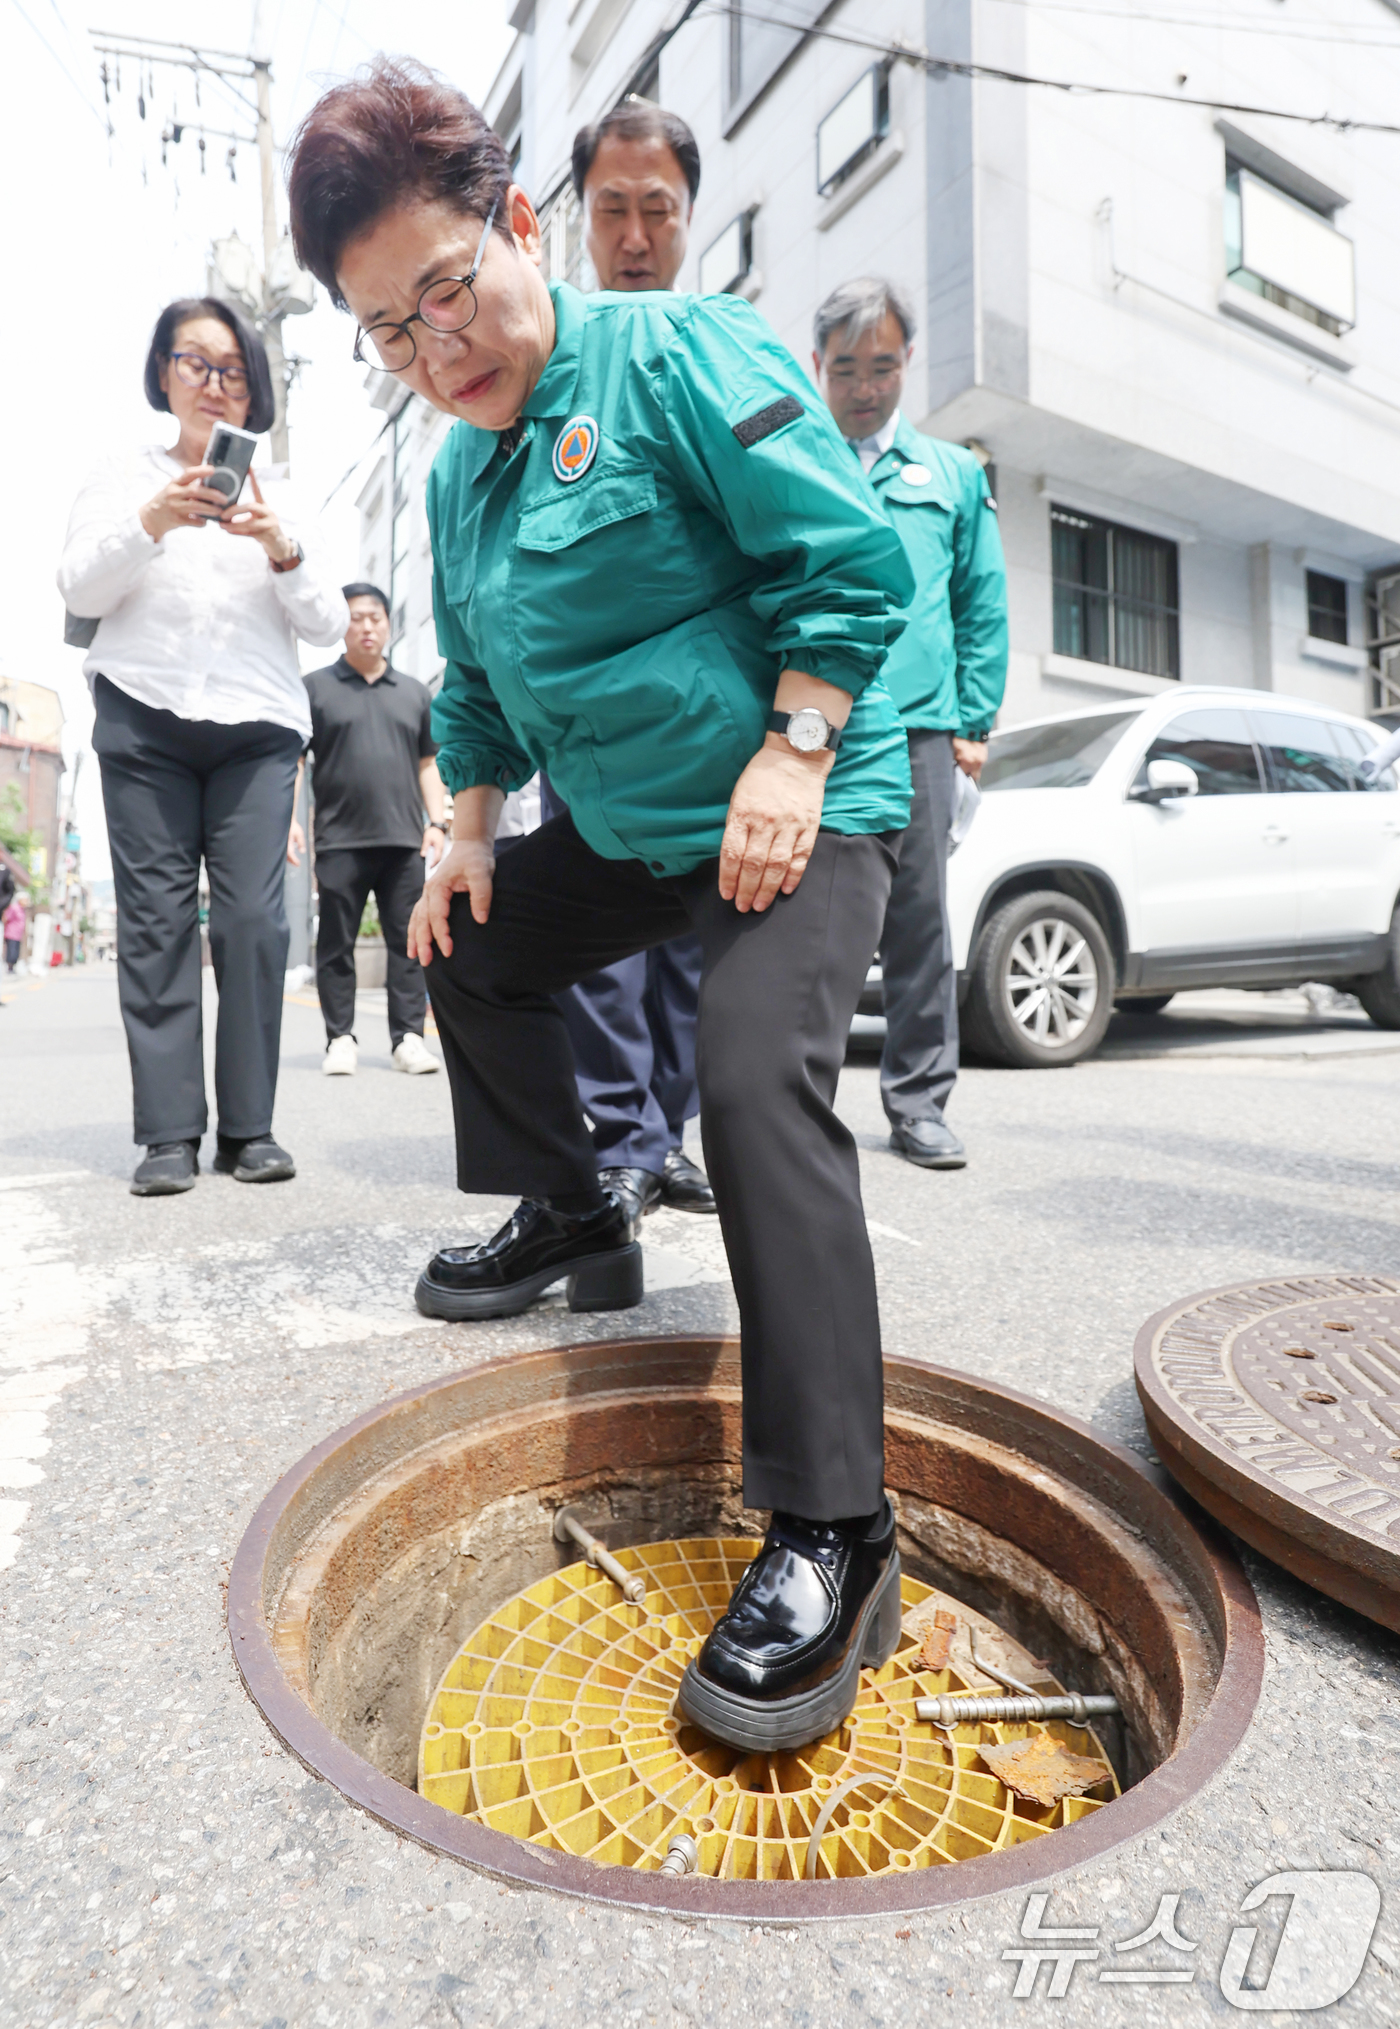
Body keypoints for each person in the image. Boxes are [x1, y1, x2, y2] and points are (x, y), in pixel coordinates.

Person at [287, 59, 914, 1754]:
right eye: (391, 332)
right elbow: (479, 691)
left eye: (445, 288)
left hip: (803, 793)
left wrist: (795, 746)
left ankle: (838, 1525)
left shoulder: (679, 353)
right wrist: (468, 832)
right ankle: (577, 1210)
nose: (441, 348)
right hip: (643, 829)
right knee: (461, 942)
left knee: (745, 1070)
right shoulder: (455, 479)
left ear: (516, 221)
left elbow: (852, 558)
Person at [57, 297, 349, 1196]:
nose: (213, 384)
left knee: (258, 924)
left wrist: (280, 544)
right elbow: (79, 585)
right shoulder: (121, 477)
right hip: (144, 717)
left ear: (253, 388)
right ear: (163, 372)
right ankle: (169, 1133)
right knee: (154, 922)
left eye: (231, 370)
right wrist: (153, 522)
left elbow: (330, 621)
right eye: (195, 362)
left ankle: (249, 1127)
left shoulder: (283, 488)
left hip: (256, 730)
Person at [534, 97, 713, 1236]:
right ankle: (619, 1142)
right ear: (578, 219)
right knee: (602, 951)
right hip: (592, 712)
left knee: (694, 942)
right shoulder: (548, 362)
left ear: (689, 214)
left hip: (703, 713)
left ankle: (670, 1135)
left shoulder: (718, 348)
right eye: (614, 211)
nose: (636, 236)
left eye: (658, 210)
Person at [814, 278, 1008, 1170]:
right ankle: (799, 1099)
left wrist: (973, 723)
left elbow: (981, 602)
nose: (864, 387)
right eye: (846, 367)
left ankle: (920, 1100)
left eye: (882, 366)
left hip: (923, 728)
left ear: (907, 363)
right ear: (818, 365)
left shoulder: (953, 474)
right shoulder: (797, 459)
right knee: (810, 923)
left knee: (921, 924)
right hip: (814, 725)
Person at [290, 582, 445, 1076]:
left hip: (404, 839)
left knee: (410, 942)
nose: (367, 626)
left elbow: (428, 763)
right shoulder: (314, 688)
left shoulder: (415, 693)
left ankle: (408, 1039)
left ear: (389, 625)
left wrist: (438, 821)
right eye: (356, 617)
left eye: (376, 617)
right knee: (336, 943)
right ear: (341, 625)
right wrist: (289, 822)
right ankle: (340, 1038)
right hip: (338, 839)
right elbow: (294, 762)